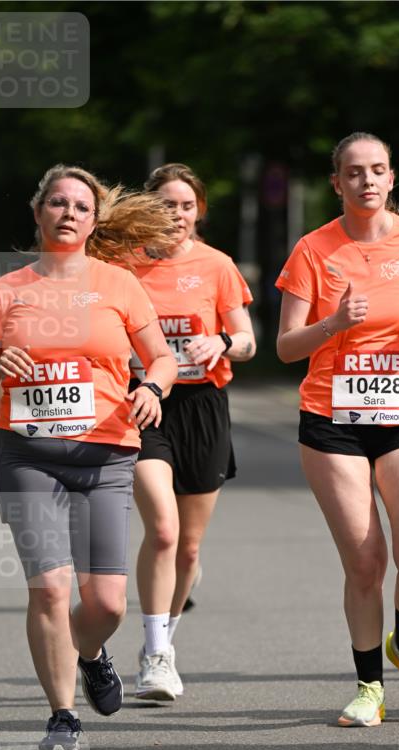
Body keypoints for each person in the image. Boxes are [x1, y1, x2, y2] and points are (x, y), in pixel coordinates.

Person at [0, 165, 178, 750]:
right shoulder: (7, 290)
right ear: (38, 214)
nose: (69, 213)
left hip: (105, 453)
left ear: (94, 220)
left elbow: (161, 358)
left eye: (81, 207)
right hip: (27, 456)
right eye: (57, 203)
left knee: (106, 602)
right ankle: (61, 716)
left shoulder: (119, 285)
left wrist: (152, 390)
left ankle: (90, 652)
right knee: (51, 588)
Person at [276, 131, 399, 727]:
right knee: (366, 562)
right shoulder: (313, 249)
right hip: (332, 422)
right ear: (337, 183)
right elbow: (284, 347)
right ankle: (369, 686)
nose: (367, 181)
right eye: (354, 172)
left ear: (392, 179)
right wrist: (332, 323)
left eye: (377, 170)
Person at [129, 163, 256, 702]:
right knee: (163, 531)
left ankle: (167, 638)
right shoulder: (121, 265)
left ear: (198, 210)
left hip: (203, 403)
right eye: (164, 204)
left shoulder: (217, 265)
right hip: (142, 405)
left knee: (189, 547)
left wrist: (222, 343)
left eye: (185, 205)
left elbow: (249, 339)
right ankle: (156, 655)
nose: (175, 214)